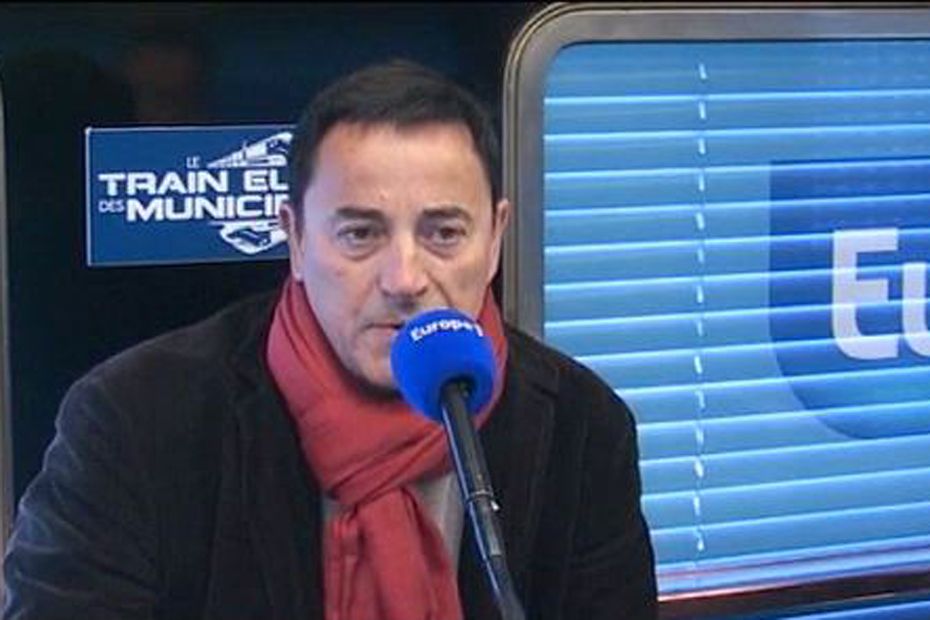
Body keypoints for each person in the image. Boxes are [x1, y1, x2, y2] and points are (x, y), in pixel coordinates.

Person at [2, 60, 657, 619]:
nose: (404, 279)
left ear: (494, 241)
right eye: (360, 234)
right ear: (295, 238)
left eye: (444, 234)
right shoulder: (133, 420)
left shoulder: (581, 427)